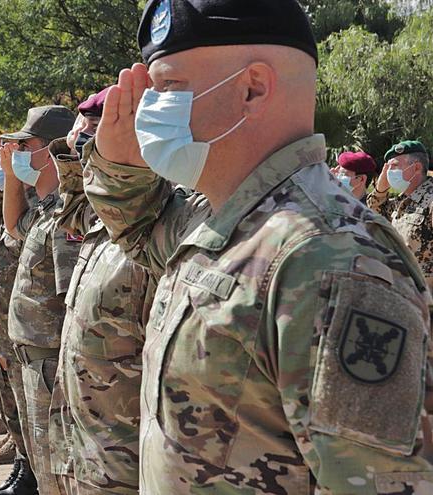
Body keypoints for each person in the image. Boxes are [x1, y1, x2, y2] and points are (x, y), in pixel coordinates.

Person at [84, 0, 433, 492]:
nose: (150, 108)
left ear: (252, 89)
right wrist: (117, 163)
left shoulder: (327, 256)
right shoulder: (227, 219)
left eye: (168, 88)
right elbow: (142, 231)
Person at [46, 88, 147, 495]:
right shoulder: (104, 218)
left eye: (96, 139)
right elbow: (72, 212)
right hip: (89, 432)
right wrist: (72, 160)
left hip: (125, 438)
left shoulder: (158, 217)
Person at [0, 104, 78, 495]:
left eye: (24, 144)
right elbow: (14, 227)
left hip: (52, 363)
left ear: (52, 150)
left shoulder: (67, 217)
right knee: (45, 472)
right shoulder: (46, 209)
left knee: (56, 475)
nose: (15, 152)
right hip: (35, 359)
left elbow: (72, 307)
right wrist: (14, 180)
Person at [0, 158, 38, 494]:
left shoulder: (34, 210)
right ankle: (22, 463)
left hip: (26, 336)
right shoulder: (16, 210)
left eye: (21, 150)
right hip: (5, 331)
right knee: (14, 407)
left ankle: (27, 469)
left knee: (28, 413)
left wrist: (10, 183)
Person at [368, 140, 433, 289]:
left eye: (394, 166)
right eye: (387, 167)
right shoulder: (401, 202)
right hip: (405, 296)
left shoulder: (430, 201)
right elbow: (372, 214)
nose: (388, 172)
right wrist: (380, 189)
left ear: (416, 167)